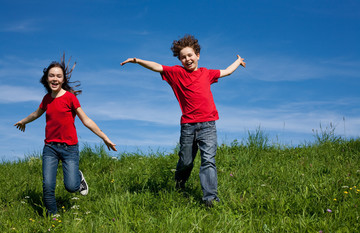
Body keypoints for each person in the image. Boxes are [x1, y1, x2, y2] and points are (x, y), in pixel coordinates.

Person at [121, 35, 246, 207]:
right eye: (183, 57)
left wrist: (238, 62)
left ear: (198, 55)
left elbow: (227, 71)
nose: (187, 59)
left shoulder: (206, 73)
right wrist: (137, 61)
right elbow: (157, 66)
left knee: (208, 160)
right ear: (179, 60)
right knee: (186, 161)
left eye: (190, 55)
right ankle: (180, 185)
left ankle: (210, 199)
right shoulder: (176, 73)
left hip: (208, 124)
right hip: (188, 126)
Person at [14, 55, 117, 214]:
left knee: (71, 187)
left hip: (70, 148)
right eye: (51, 75)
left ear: (63, 80)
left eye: (58, 76)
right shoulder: (46, 99)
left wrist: (105, 137)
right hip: (50, 148)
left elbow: (86, 120)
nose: (55, 78)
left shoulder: (70, 97)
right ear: (47, 79)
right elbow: (36, 114)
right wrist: (23, 121)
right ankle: (53, 217)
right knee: (48, 185)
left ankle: (78, 176)